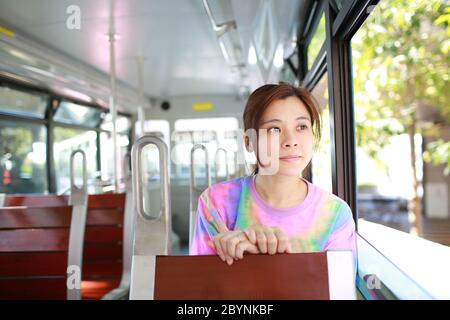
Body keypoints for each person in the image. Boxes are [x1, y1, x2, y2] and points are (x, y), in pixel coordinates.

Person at [189, 83, 357, 271]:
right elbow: (201, 284)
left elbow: (338, 290)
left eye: (301, 127)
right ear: (249, 142)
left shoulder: (335, 214)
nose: (291, 141)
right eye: (274, 129)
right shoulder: (216, 202)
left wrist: (278, 259)